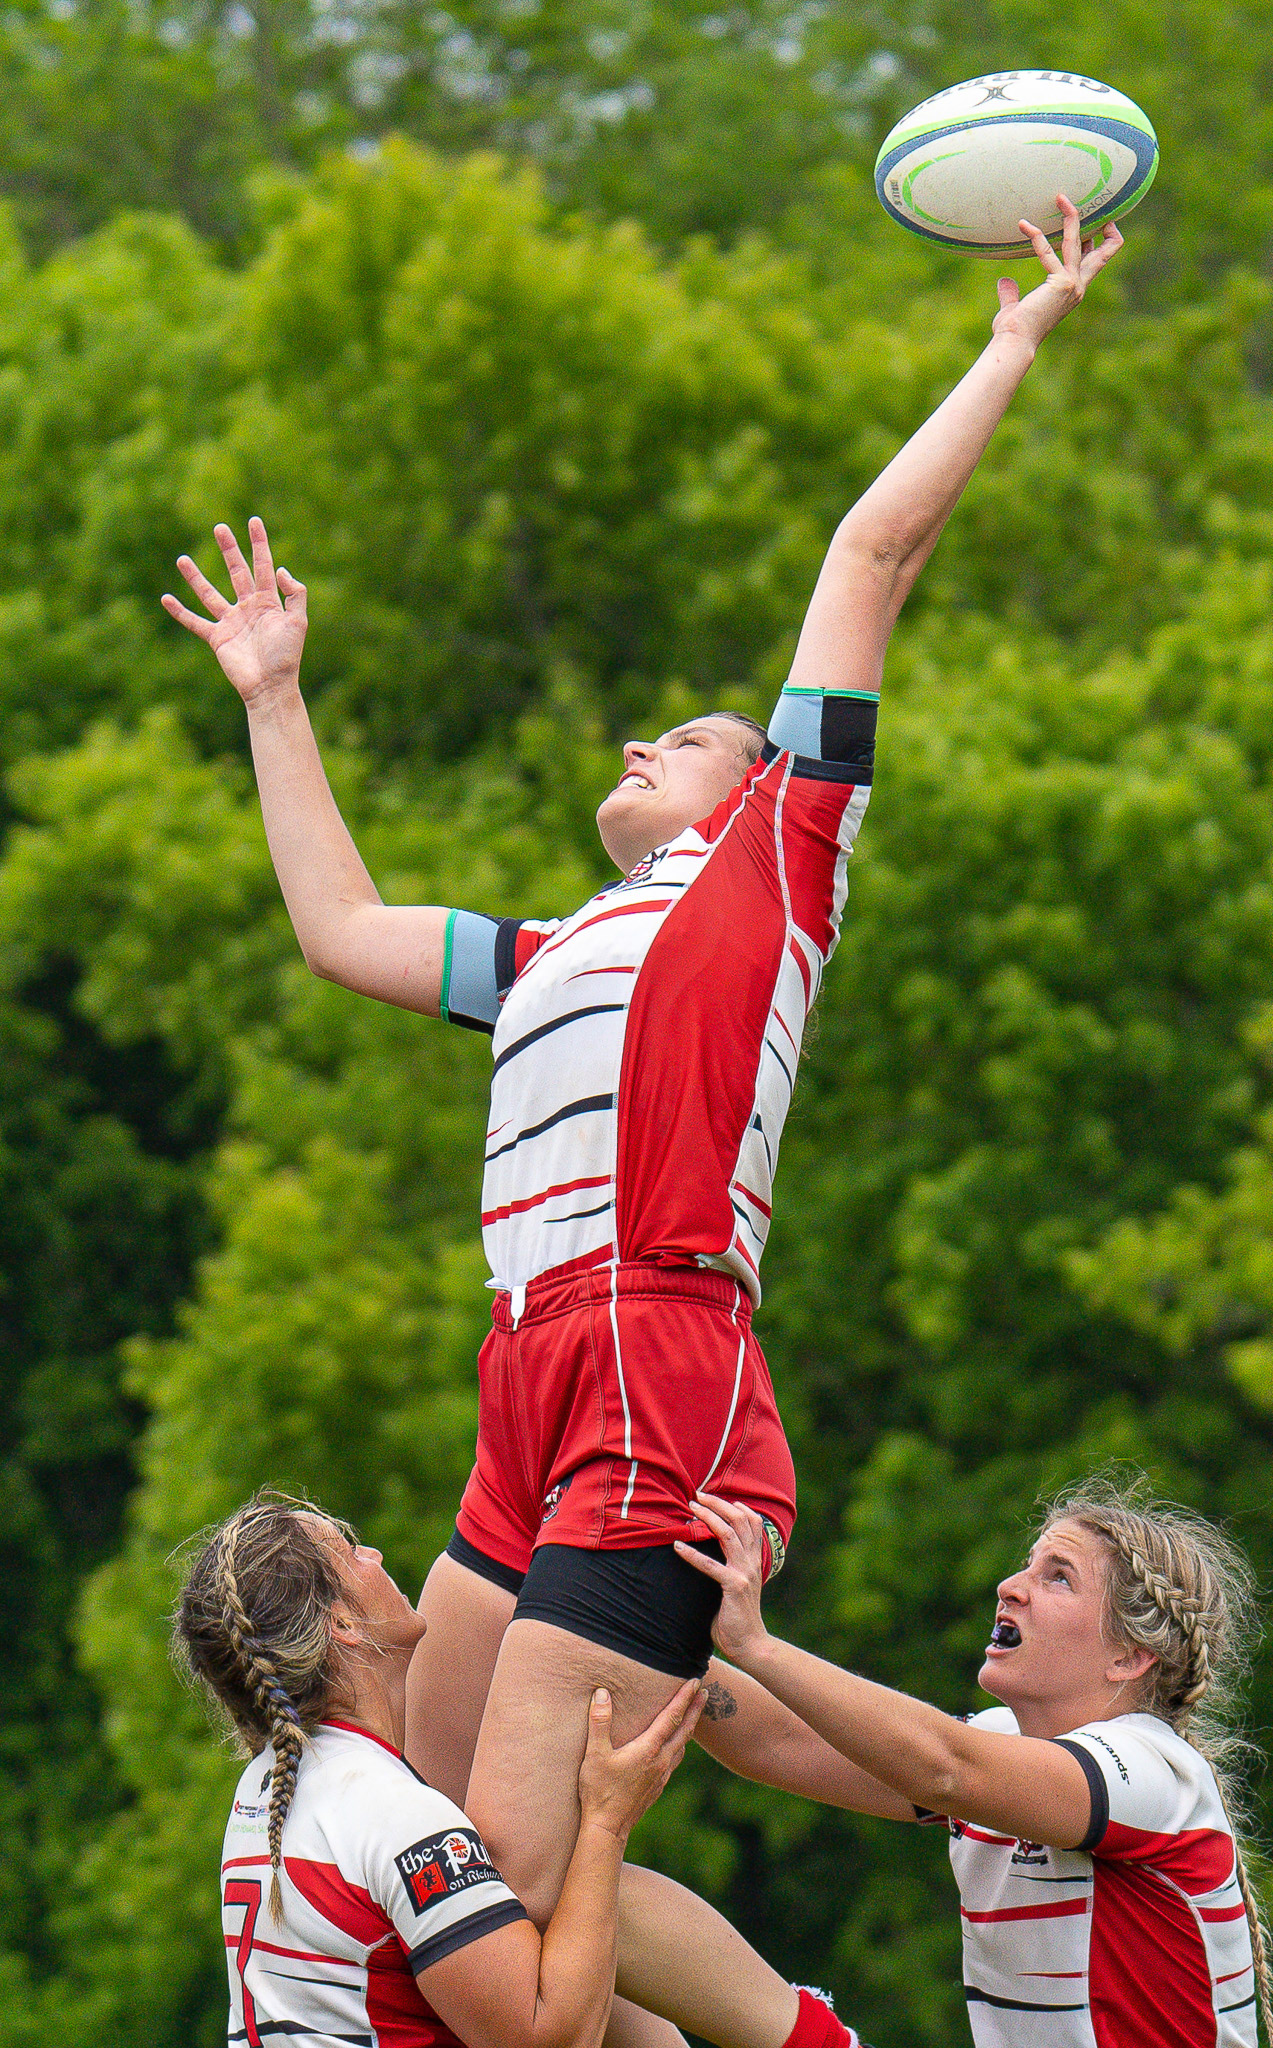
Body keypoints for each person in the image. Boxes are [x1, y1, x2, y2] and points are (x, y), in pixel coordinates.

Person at [162, 196, 1124, 2042]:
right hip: (528, 1376)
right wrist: (278, 698)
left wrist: (1007, 344)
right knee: (446, 1847)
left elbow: (872, 547)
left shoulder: (772, 860)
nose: (639, 745)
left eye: (683, 733)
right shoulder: (546, 951)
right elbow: (340, 931)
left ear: (759, 780)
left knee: (510, 1901)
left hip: (654, 1369)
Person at [678, 1478, 1273, 2048]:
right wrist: (654, 1629)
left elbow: (944, 1765)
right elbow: (779, 1744)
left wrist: (755, 1644)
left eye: (1059, 1579)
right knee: (600, 1908)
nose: (1011, 1586)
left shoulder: (1154, 1771)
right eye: (1029, 1565)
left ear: (1127, 1656)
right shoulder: (1005, 1743)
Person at [173, 1489, 706, 2048]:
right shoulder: (398, 1819)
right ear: (343, 1626)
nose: (374, 1556)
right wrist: (606, 1820)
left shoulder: (261, 1791)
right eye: (351, 1550)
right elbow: (552, 2038)